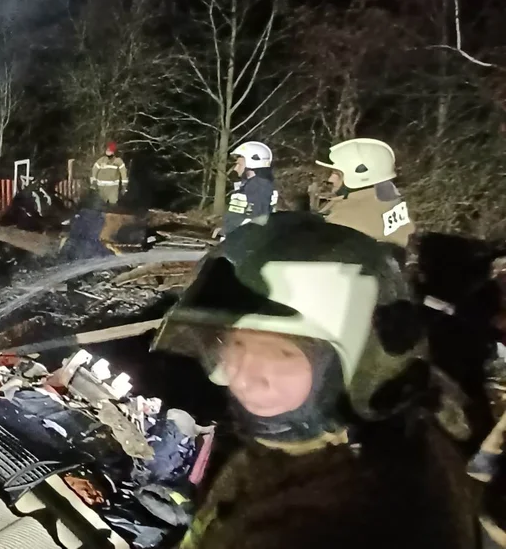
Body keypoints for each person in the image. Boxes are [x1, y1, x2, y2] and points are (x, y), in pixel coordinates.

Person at [150, 213, 476, 548]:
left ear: (358, 366)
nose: (245, 376)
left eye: (279, 353)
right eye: (235, 344)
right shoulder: (290, 449)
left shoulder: (363, 515)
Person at [315, 138, 416, 249]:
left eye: (337, 174)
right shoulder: (390, 200)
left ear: (360, 175)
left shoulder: (343, 218)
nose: (331, 179)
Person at [220, 141, 278, 238]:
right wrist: (226, 229)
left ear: (251, 165)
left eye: (239, 164)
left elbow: (259, 220)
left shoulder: (259, 186)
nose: (236, 169)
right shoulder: (252, 185)